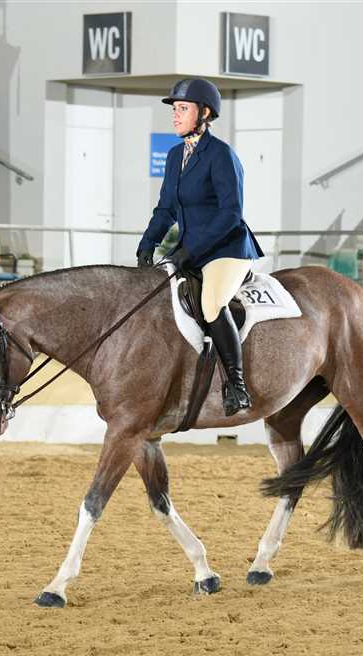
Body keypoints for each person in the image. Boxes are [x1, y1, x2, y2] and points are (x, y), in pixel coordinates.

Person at [136, 78, 263, 417]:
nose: (175, 115)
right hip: (189, 249)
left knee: (210, 304)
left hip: (226, 248)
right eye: (175, 109)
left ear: (204, 113)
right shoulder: (175, 155)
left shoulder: (221, 155)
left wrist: (191, 250)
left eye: (183, 108)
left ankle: (237, 386)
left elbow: (231, 214)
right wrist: (147, 244)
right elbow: (166, 208)